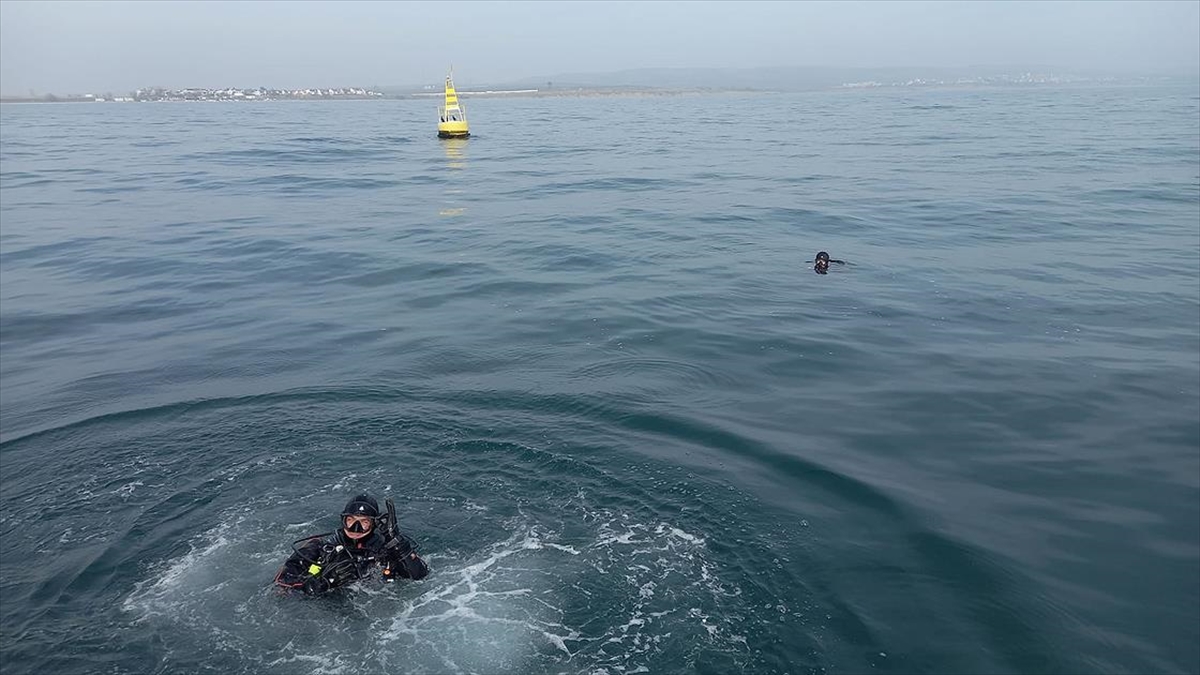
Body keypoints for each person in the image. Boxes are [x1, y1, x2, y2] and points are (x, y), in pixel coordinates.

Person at [274, 494, 429, 595]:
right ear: (343, 521)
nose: (356, 528)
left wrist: (396, 541)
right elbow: (282, 584)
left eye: (364, 522)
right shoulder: (320, 547)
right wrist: (319, 584)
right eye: (351, 520)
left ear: (374, 524)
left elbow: (419, 577)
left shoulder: (384, 550)